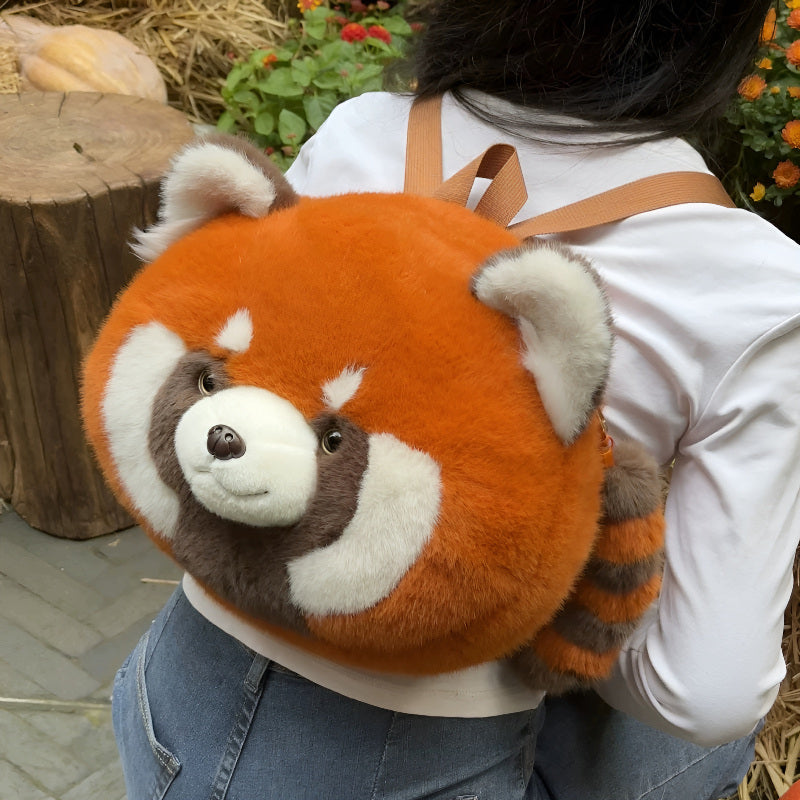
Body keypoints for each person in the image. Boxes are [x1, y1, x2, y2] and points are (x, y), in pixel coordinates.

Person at [111, 1, 800, 798]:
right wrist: (539, 596)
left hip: (177, 681)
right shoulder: (750, 288)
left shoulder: (360, 129)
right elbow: (705, 695)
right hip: (408, 763)